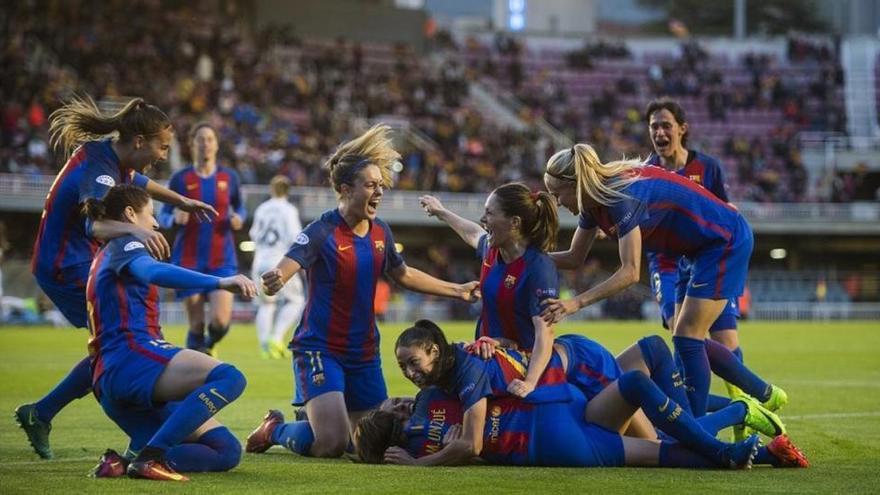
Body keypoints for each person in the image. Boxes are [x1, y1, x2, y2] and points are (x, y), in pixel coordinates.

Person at [245, 124, 479, 458]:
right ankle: (277, 429)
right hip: (320, 349)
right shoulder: (322, 230)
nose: (379, 192)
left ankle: (314, 418)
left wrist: (457, 290)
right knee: (332, 444)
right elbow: (289, 262)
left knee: (370, 444)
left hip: (364, 353)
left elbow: (404, 274)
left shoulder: (380, 231)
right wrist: (276, 278)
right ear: (345, 189)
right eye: (371, 185)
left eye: (381, 185)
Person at [16, 96, 217, 459]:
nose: (162, 156)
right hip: (66, 265)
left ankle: (43, 412)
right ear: (139, 141)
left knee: (123, 345)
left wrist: (181, 202)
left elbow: (140, 181)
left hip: (78, 261)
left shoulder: (111, 156)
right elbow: (95, 223)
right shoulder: (101, 170)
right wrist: (137, 231)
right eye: (162, 147)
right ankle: (137, 429)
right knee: (126, 344)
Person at [352, 320, 808, 469]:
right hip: (560, 420)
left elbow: (468, 443)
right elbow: (469, 443)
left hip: (562, 417)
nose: (405, 382)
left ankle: (749, 438)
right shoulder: (439, 396)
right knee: (660, 441)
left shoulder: (438, 397)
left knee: (661, 448)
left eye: (411, 365)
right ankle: (742, 437)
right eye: (403, 372)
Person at [541, 144, 781, 418]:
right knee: (685, 338)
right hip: (695, 252)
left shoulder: (619, 197)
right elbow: (574, 258)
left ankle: (703, 424)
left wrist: (576, 302)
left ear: (577, 184)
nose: (557, 203)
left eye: (557, 194)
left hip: (724, 241)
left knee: (686, 336)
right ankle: (760, 397)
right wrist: (526, 255)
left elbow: (630, 272)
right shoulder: (593, 203)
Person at [83, 184, 255, 481]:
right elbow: (154, 273)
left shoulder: (104, 254)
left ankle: (128, 460)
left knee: (226, 450)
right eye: (150, 214)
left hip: (114, 377)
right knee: (230, 377)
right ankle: (153, 456)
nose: (155, 223)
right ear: (130, 214)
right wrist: (219, 282)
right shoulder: (126, 242)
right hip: (132, 363)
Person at [643, 98, 749, 397]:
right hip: (665, 264)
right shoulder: (645, 172)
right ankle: (688, 411)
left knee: (726, 340)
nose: (660, 132)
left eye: (666, 125)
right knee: (682, 332)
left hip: (706, 260)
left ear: (682, 129)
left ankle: (742, 405)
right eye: (654, 126)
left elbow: (725, 209)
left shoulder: (707, 167)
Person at [419, 183, 559, 399]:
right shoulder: (492, 250)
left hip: (519, 362)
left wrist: (529, 382)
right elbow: (471, 232)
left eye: (490, 213)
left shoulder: (538, 267)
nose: (483, 220)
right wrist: (441, 212)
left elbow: (545, 334)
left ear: (514, 222)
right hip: (488, 353)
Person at [159, 123, 245, 356]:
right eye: (200, 139)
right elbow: (163, 215)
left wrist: (239, 218)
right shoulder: (180, 179)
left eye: (209, 139)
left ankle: (206, 347)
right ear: (192, 144)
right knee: (196, 324)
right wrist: (173, 218)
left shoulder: (230, 177)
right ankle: (194, 366)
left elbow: (240, 208)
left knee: (220, 323)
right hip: (188, 260)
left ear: (216, 145)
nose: (205, 144)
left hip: (222, 261)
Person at [248, 175, 305, 359]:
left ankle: (266, 346)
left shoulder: (262, 209)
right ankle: (276, 338)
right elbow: (295, 237)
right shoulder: (288, 210)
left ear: (272, 190)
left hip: (260, 260)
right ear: (288, 191)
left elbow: (254, 234)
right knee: (296, 301)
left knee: (266, 304)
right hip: (279, 262)